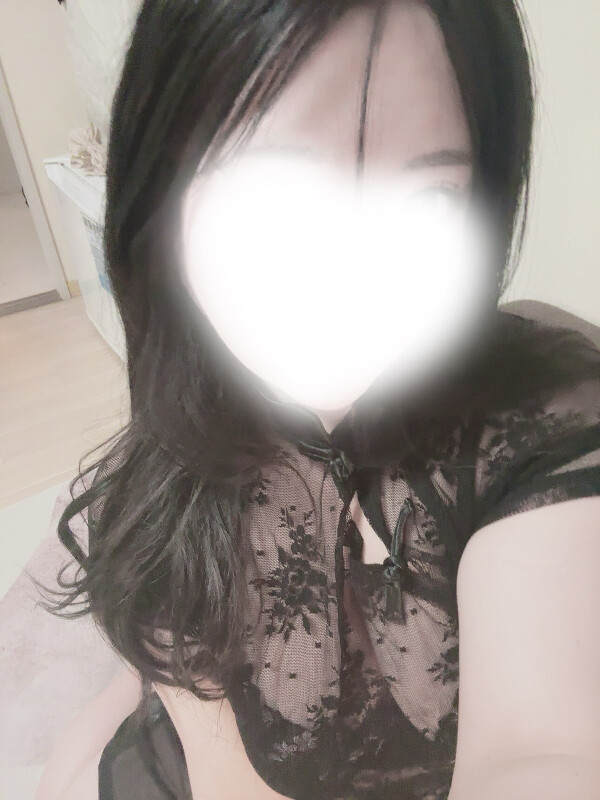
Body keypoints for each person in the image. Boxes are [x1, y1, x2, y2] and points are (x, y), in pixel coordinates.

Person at [33, 1, 600, 799]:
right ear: (162, 198)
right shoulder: (172, 447)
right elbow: (222, 771)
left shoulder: (538, 428)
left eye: (427, 199)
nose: (351, 278)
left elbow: (545, 751)